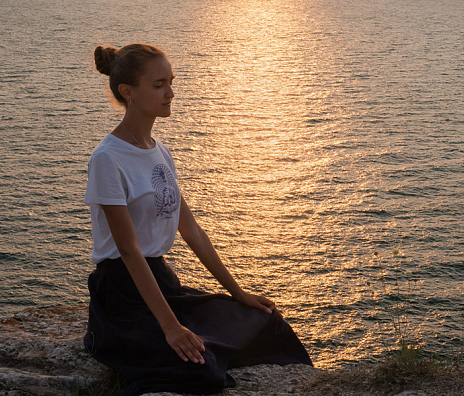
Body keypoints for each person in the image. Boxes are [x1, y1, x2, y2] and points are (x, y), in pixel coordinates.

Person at [83, 43, 312, 395]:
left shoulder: (159, 152)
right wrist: (171, 327)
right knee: (199, 371)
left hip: (162, 283)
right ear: (128, 92)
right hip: (123, 295)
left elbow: (191, 230)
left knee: (265, 321)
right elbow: (129, 252)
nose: (170, 93)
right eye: (159, 85)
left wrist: (238, 294)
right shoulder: (107, 158)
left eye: (171, 82)